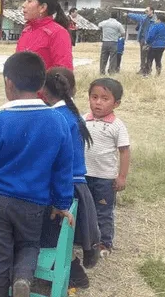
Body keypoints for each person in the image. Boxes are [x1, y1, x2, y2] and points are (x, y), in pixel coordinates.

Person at [0, 52, 75, 297]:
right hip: (33, 202)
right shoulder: (57, 121)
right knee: (29, 245)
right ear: (42, 84)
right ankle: (22, 278)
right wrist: (61, 202)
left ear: (8, 83)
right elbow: (64, 167)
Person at [40, 67, 101, 289]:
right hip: (77, 186)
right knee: (58, 236)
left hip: (64, 187)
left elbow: (52, 161)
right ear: (73, 88)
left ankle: (73, 274)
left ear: (43, 92)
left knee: (48, 235)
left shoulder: (54, 118)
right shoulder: (73, 114)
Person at [84, 78, 131, 257]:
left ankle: (105, 243)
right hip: (83, 176)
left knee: (103, 211)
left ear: (116, 103)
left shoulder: (117, 126)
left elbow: (124, 152)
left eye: (105, 99)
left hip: (105, 179)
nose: (98, 102)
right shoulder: (83, 120)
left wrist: (122, 177)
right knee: (83, 208)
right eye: (94, 97)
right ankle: (83, 239)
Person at [16, 0, 73, 70]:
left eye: (29, 0)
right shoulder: (26, 31)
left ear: (42, 8)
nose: (23, 5)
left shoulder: (58, 33)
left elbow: (63, 71)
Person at [125, 7, 156, 74]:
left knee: (149, 56)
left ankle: (148, 70)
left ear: (151, 11)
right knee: (142, 55)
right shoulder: (144, 17)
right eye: (145, 11)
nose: (145, 12)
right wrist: (128, 14)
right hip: (142, 39)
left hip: (149, 40)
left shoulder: (155, 20)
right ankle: (142, 69)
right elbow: (136, 16)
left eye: (147, 11)